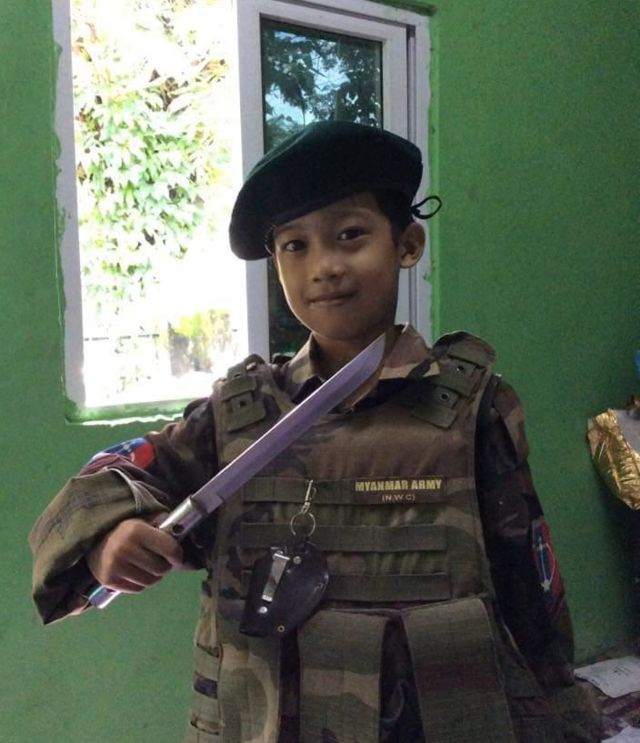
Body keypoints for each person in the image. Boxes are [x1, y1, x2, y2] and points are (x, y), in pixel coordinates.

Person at [29, 121, 601, 743]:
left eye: (350, 235)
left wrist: (562, 715)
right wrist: (110, 539)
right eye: (294, 246)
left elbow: (530, 589)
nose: (323, 266)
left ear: (408, 244)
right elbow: (118, 474)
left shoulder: (475, 406)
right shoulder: (237, 415)